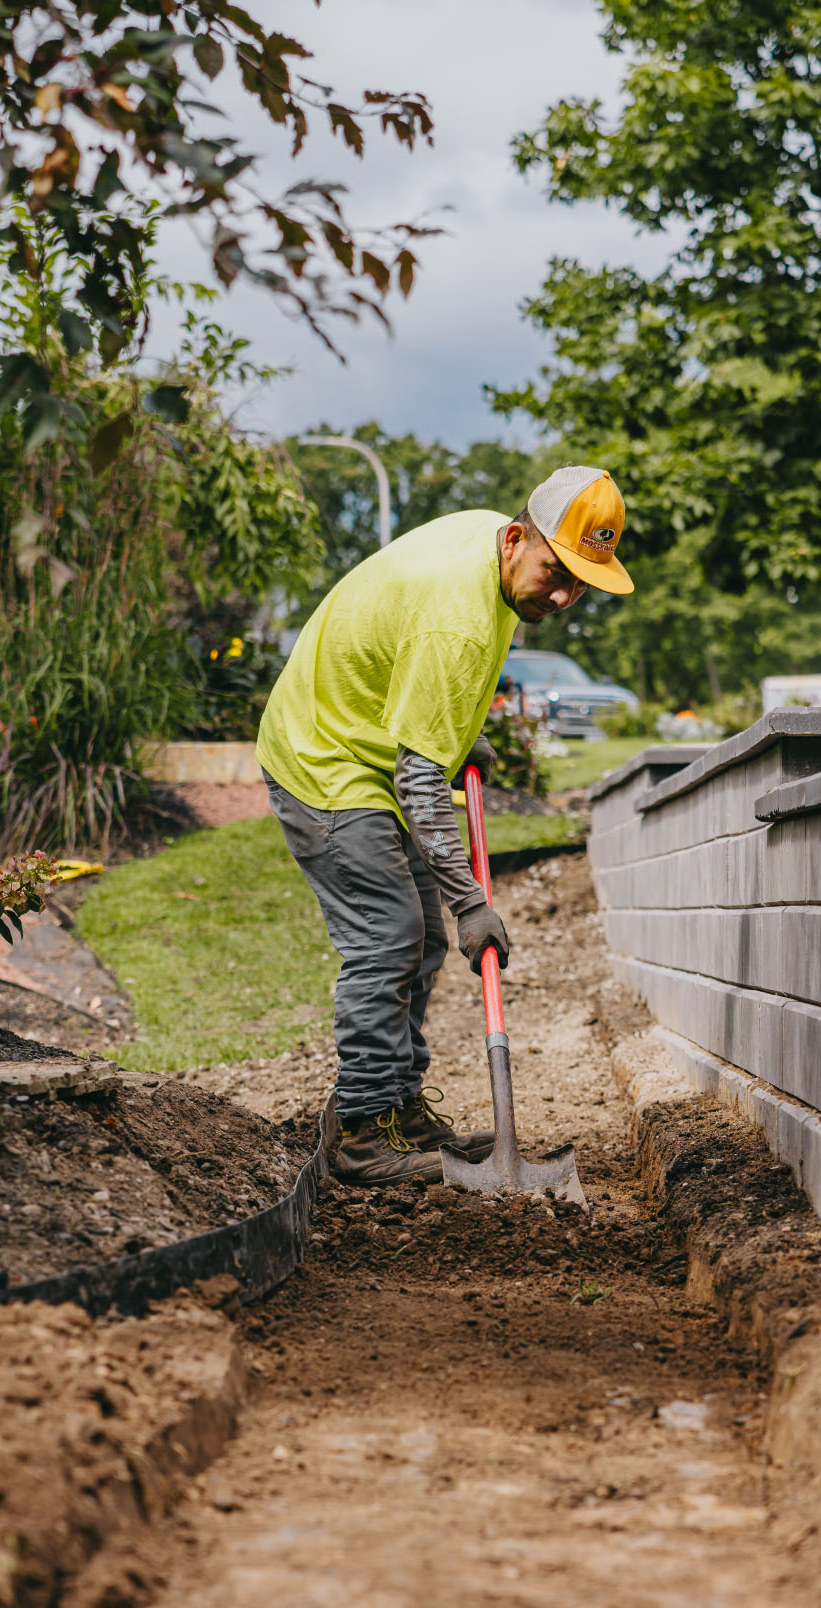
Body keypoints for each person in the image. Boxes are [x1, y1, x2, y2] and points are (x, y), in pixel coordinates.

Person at [256, 466, 634, 1184]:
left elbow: (418, 690)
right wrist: (470, 905)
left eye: (580, 581)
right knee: (389, 934)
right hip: (324, 757)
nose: (561, 595)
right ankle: (363, 1135)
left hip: (360, 736)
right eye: (555, 571)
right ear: (518, 539)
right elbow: (420, 778)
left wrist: (456, 733)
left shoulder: (489, 548)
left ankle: (397, 1105)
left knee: (418, 936)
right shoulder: (454, 618)